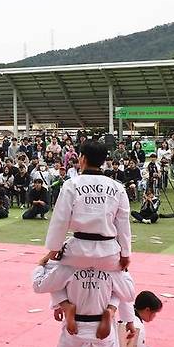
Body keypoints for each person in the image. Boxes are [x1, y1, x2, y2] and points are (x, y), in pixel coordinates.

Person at [43, 140, 132, 334]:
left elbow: (60, 220)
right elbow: (123, 225)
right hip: (108, 254)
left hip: (78, 252)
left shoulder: (71, 184)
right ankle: (112, 309)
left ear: (82, 159)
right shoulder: (117, 187)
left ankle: (64, 305)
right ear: (103, 161)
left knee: (47, 271)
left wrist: (54, 249)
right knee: (122, 280)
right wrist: (125, 254)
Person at [32, 254, 136, 347]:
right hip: (102, 328)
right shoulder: (112, 265)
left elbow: (41, 284)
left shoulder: (67, 263)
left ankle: (66, 305)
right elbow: (128, 294)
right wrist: (129, 320)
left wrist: (43, 262)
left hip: (75, 326)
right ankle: (110, 310)